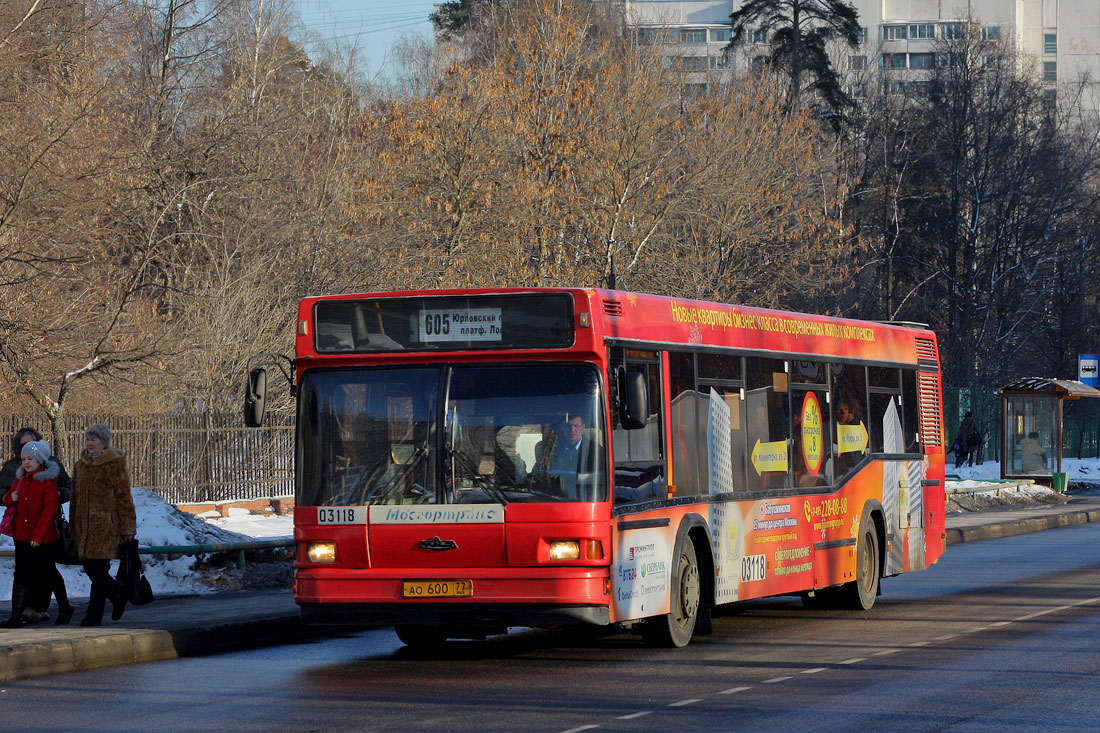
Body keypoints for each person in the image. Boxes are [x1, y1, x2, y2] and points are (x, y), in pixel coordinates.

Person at [0, 427, 73, 625]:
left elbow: (49, 510)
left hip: (43, 536)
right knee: (21, 574)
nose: (25, 462)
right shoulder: (20, 476)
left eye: (29, 459)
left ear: (39, 459)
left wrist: (38, 536)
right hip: (22, 534)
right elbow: (8, 498)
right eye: (23, 458)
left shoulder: (47, 480)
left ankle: (64, 608)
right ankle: (16, 615)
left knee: (48, 572)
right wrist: (9, 497)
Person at [70, 424, 137, 627]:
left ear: (103, 442)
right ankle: (118, 596)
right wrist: (74, 523)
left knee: (99, 570)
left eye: (94, 439)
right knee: (90, 567)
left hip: (106, 527)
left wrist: (128, 527)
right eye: (88, 439)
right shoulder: (80, 465)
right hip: (85, 527)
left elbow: (124, 497)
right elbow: (74, 496)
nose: (89, 443)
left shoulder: (114, 464)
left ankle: (93, 616)